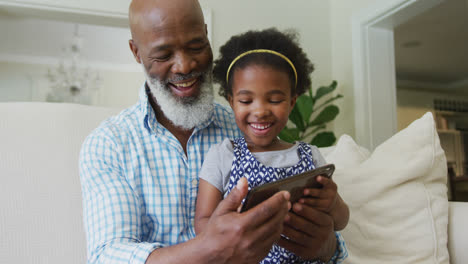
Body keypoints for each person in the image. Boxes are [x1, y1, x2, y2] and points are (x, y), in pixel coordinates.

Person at [79, 0, 347, 263]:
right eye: (163, 55)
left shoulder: (249, 127)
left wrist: (327, 246)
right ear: (136, 51)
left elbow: (330, 227)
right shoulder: (109, 145)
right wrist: (210, 248)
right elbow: (107, 256)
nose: (184, 66)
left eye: (196, 46)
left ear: (207, 35)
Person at [194, 28, 349, 264]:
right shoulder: (223, 155)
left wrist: (333, 202)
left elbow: (341, 221)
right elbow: (202, 223)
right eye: (246, 100)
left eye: (275, 100)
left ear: (292, 101)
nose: (260, 111)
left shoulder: (310, 156)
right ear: (231, 101)